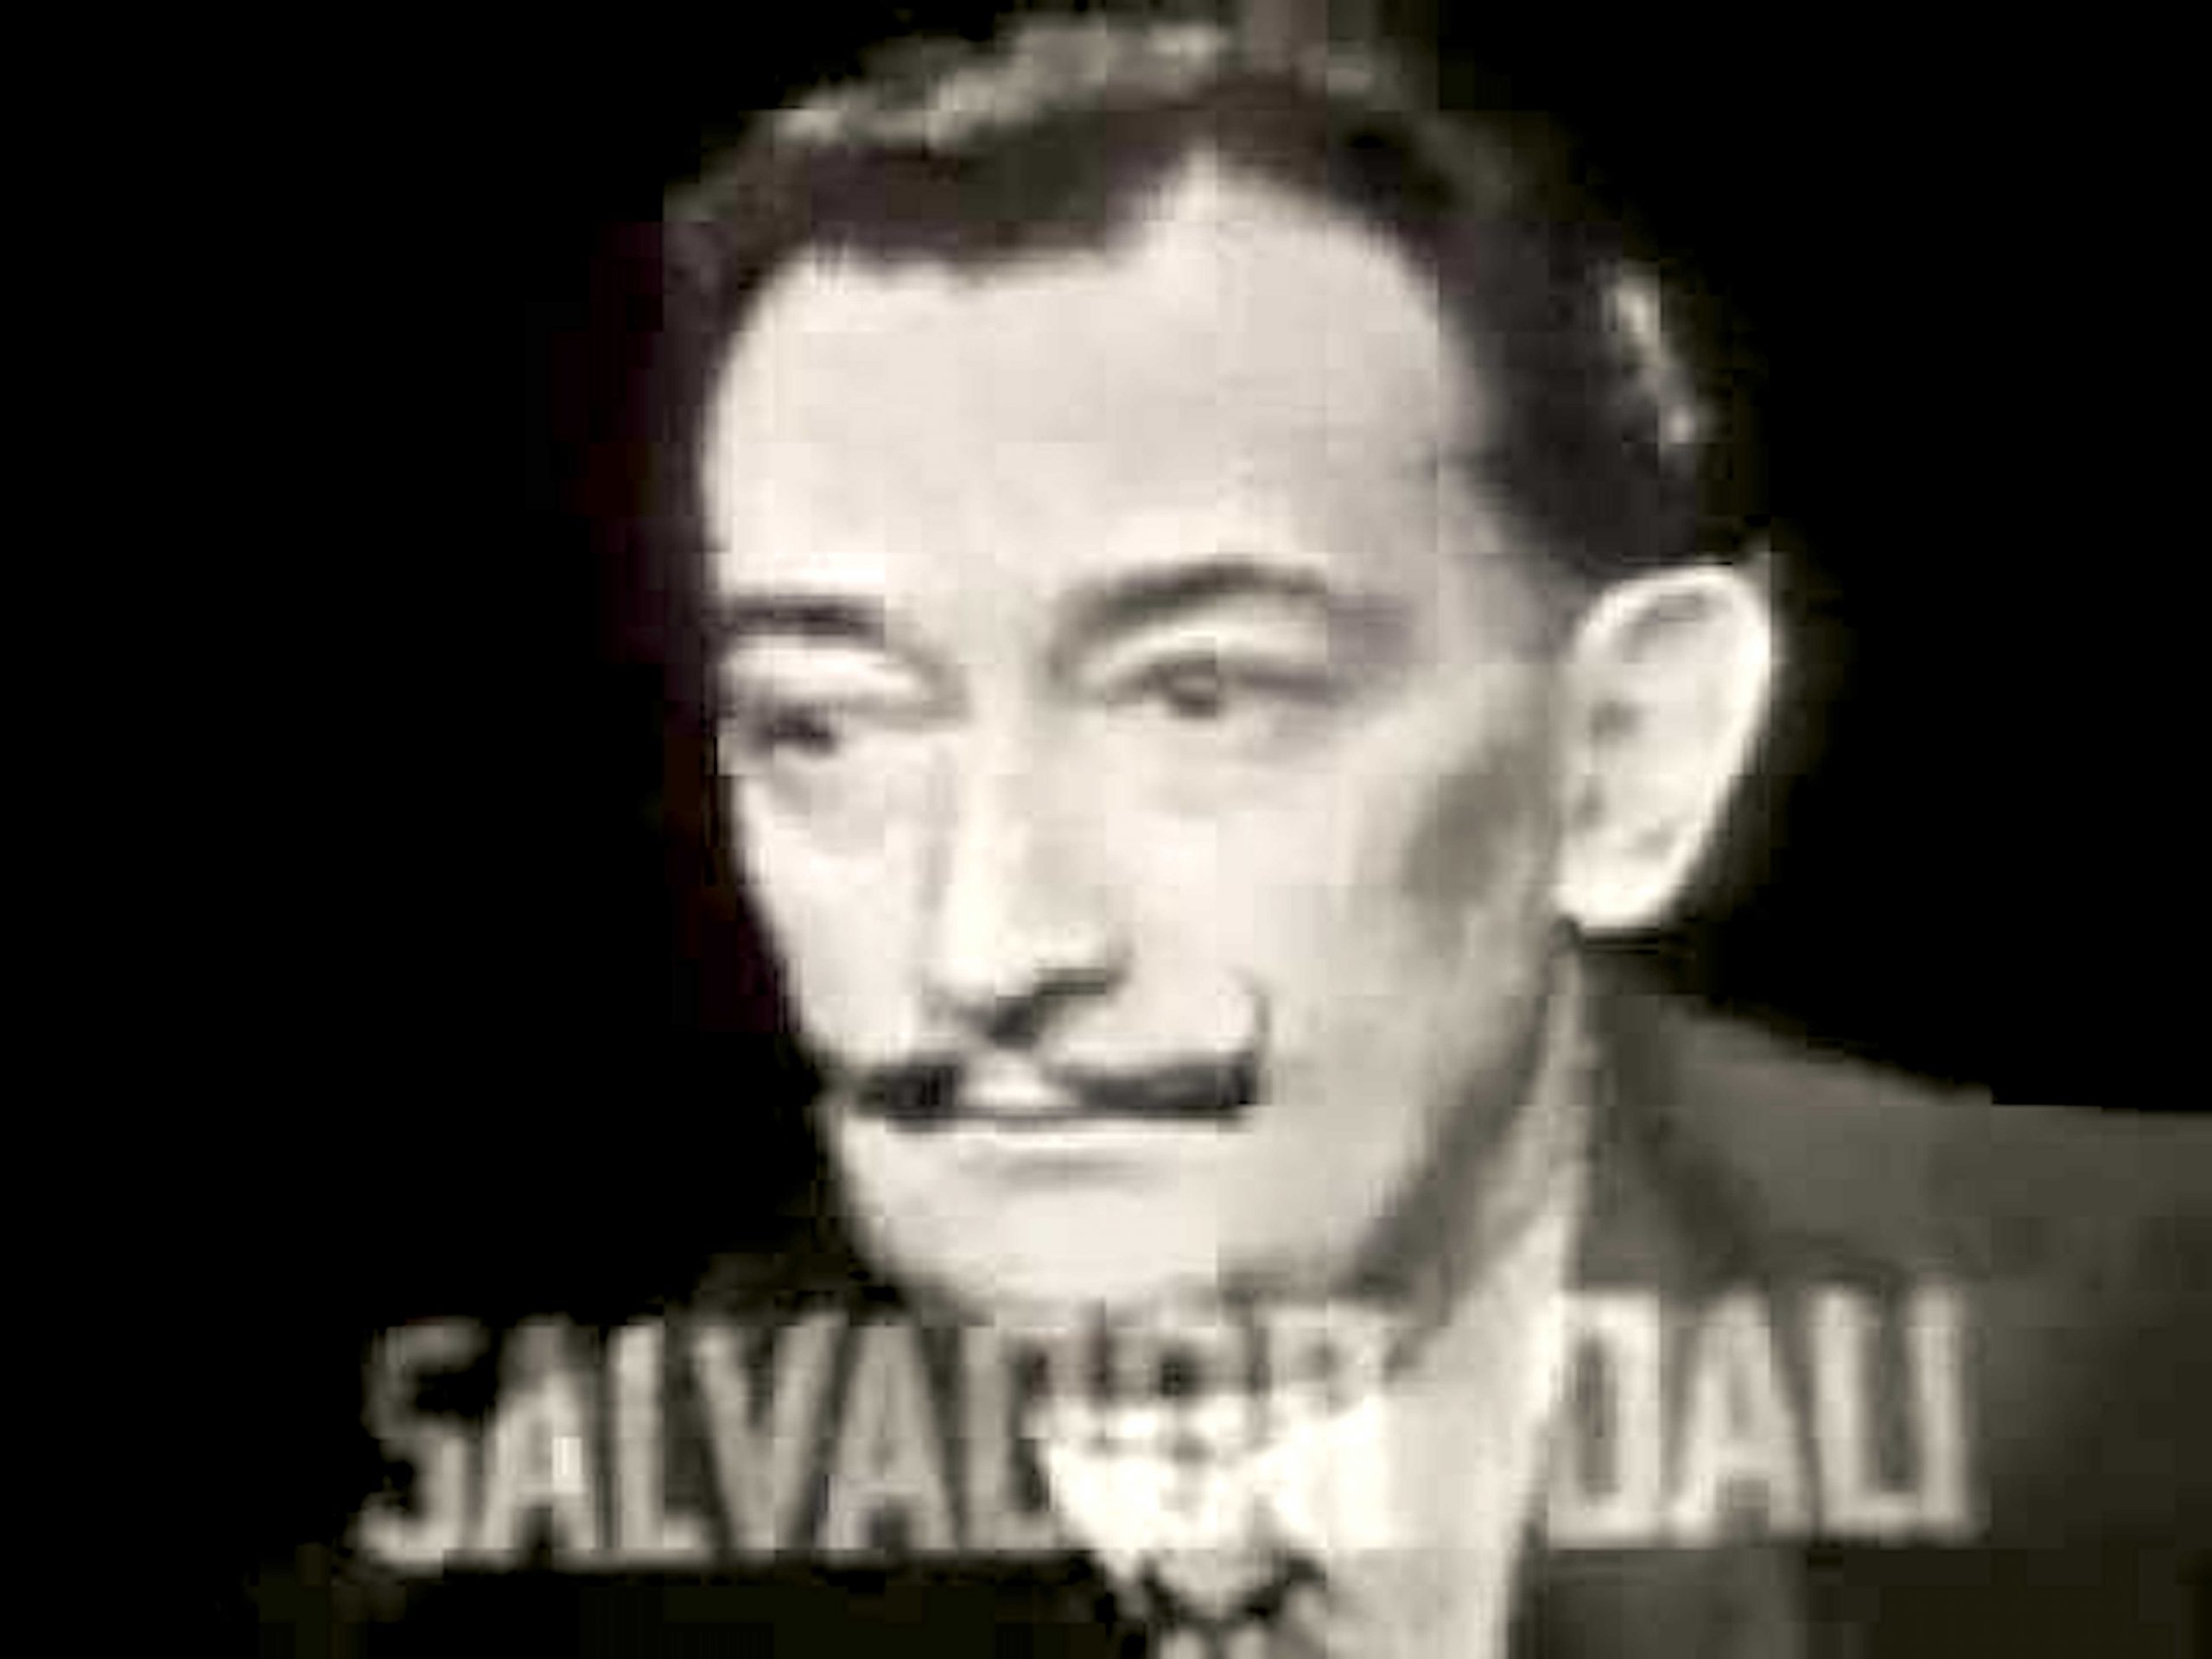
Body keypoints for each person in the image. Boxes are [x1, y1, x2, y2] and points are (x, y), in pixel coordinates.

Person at [336, 15, 2209, 1657]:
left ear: (1627, 757)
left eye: (1199, 698)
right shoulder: (507, 1614)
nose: (987, 947)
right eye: (829, 727)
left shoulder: (2163, 1398)